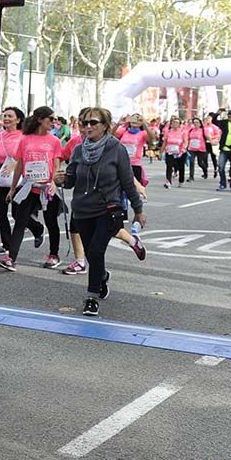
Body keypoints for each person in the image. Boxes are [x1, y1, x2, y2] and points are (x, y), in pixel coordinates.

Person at [55, 107, 146, 317]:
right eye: (84, 123)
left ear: (105, 126)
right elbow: (71, 180)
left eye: (93, 122)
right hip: (82, 210)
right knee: (91, 254)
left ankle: (91, 298)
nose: (87, 127)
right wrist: (62, 179)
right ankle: (101, 277)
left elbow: (127, 182)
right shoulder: (79, 150)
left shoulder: (116, 149)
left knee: (96, 252)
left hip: (108, 209)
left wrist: (138, 211)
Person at [0, 106, 64, 271]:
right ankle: (11, 259)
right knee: (20, 221)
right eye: (51, 119)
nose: (54, 122)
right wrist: (12, 189)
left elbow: (56, 163)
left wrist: (53, 183)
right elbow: (19, 164)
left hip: (47, 188)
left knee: (51, 222)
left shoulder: (54, 141)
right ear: (40, 119)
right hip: (28, 187)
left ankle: (53, 254)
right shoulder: (25, 139)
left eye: (55, 120)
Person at [0, 106, 43, 256]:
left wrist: (16, 164)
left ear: (18, 119)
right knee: (0, 212)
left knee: (17, 214)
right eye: (5, 115)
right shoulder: (0, 136)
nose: (6, 118)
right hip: (3, 179)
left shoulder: (24, 136)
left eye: (10, 116)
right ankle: (6, 245)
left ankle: (37, 229)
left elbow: (29, 155)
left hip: (19, 180)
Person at [162, 116, 188, 188]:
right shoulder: (168, 132)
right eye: (173, 122)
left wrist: (183, 149)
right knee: (169, 166)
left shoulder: (183, 132)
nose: (174, 124)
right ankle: (168, 181)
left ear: (180, 124)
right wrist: (161, 151)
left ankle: (181, 180)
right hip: (170, 151)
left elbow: (186, 142)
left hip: (180, 152)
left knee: (180, 167)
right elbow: (165, 142)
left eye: (176, 123)